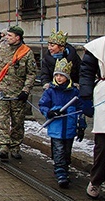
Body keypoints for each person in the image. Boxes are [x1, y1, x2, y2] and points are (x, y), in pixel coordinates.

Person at [39, 58, 92, 188]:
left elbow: (80, 110)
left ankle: (65, 166)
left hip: (69, 127)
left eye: (61, 75)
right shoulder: (50, 91)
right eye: (56, 75)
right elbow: (43, 105)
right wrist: (50, 112)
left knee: (67, 150)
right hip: (56, 128)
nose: (59, 78)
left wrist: (81, 126)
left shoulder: (74, 92)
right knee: (58, 149)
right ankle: (61, 172)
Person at [0, 26, 37, 160]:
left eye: (10, 35)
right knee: (2, 120)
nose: (6, 37)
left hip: (18, 93)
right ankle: (3, 146)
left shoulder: (26, 53)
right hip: (2, 91)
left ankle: (15, 146)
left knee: (17, 122)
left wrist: (26, 90)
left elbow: (31, 74)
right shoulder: (2, 49)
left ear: (18, 37)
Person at [79, 35, 105, 199]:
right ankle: (96, 180)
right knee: (103, 145)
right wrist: (86, 96)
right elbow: (86, 73)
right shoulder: (98, 46)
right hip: (104, 94)